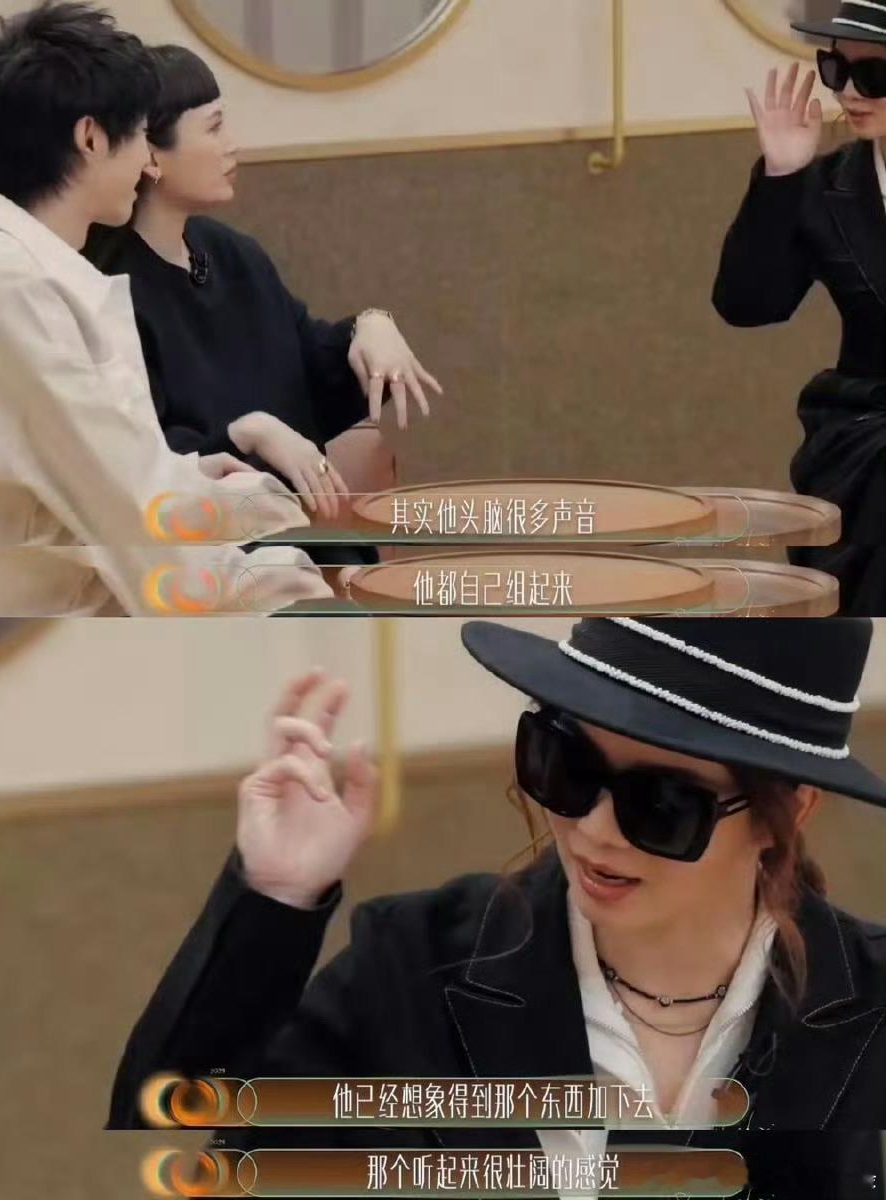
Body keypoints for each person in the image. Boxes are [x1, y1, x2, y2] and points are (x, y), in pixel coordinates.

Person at [109, 617, 886, 1199]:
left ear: (789, 813)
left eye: (662, 805)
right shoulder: (414, 963)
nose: (594, 830)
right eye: (566, 764)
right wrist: (278, 898)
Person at [0, 2, 330, 617]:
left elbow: (115, 479)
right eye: (141, 135)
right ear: (91, 138)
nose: (146, 162)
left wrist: (214, 488)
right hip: (12, 634)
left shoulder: (15, 272)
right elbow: (144, 532)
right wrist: (298, 585)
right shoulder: (7, 290)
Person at [83, 44, 442, 570]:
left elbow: (310, 372)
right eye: (214, 128)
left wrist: (372, 325)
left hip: (297, 537)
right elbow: (141, 461)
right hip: (207, 557)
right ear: (151, 156)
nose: (233, 145)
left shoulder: (231, 253)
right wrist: (247, 433)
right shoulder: (107, 286)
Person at [713, 1, 886, 617]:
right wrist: (783, 175)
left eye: (874, 75)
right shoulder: (828, 185)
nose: (848, 93)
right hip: (867, 435)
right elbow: (748, 305)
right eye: (836, 70)